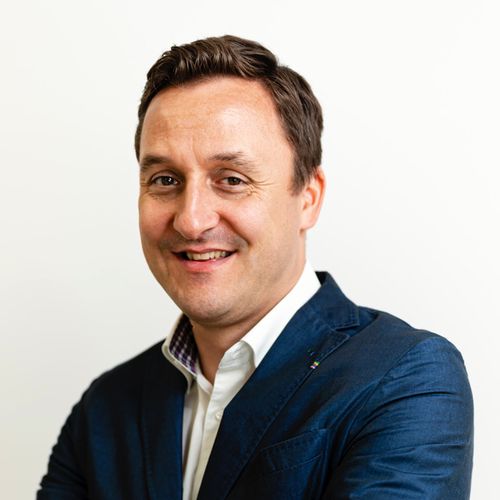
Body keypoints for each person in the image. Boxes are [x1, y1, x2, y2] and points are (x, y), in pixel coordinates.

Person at [38, 35, 473, 500]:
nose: (191, 220)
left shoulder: (406, 378)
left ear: (308, 198)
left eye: (231, 179)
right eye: (165, 180)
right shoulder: (104, 409)